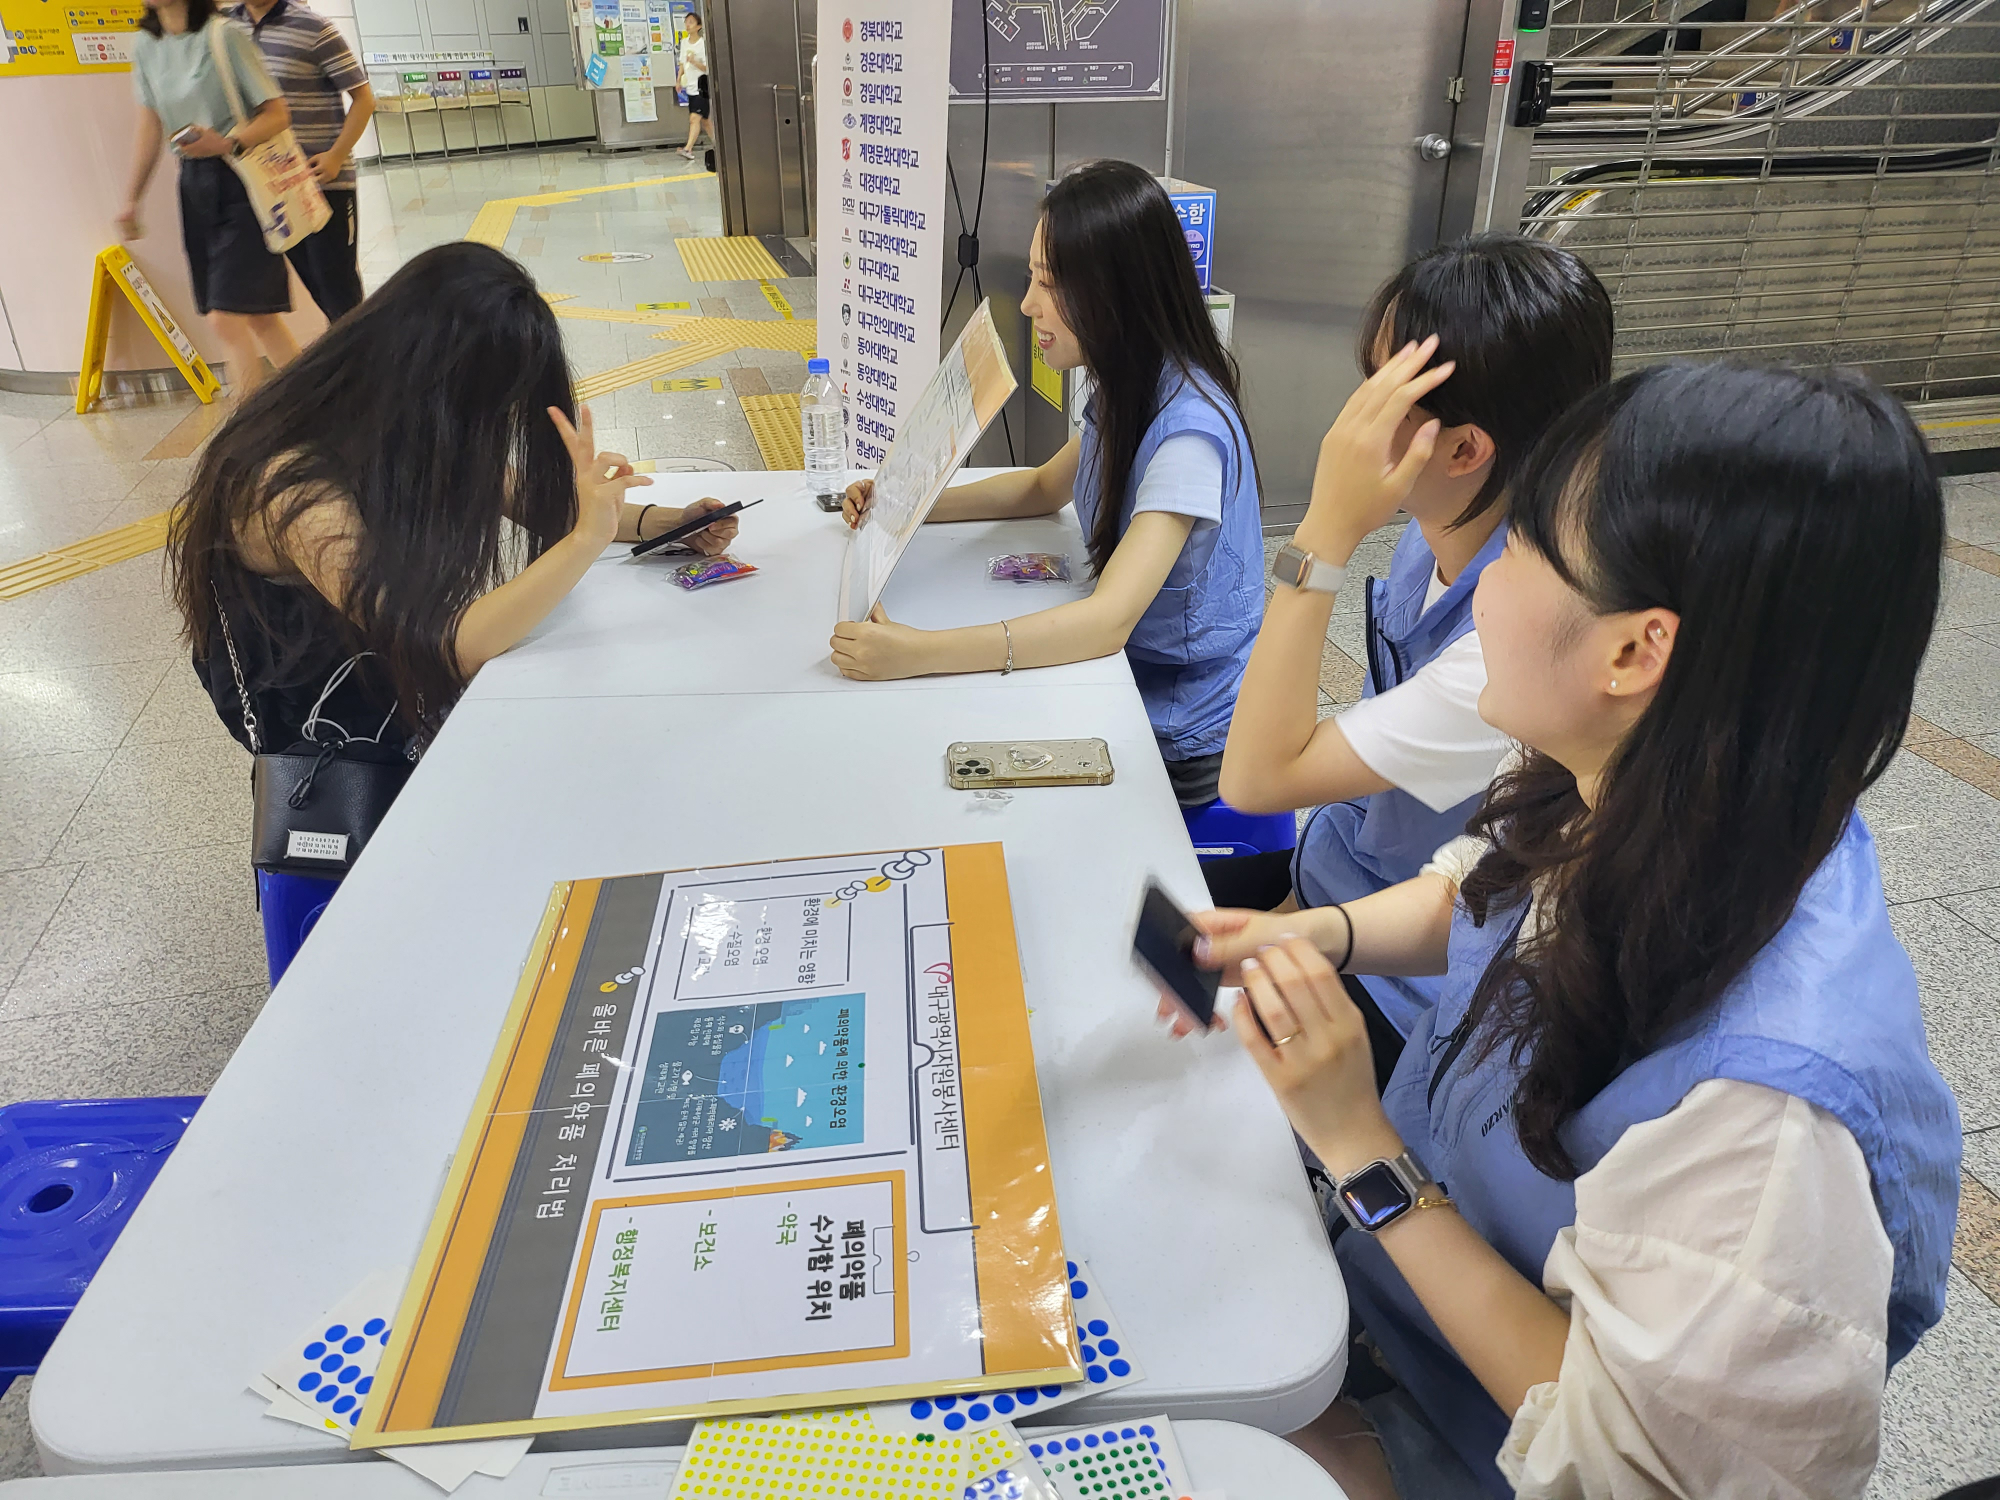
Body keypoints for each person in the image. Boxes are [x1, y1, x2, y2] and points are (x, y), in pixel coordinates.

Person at [1166, 352, 1962, 1498]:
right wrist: (1317, 939)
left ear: (1636, 649)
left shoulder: (1766, 1120)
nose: (1487, 585)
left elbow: (1624, 1464)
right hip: (1391, 1310)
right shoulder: (1651, 777)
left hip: (1473, 1441)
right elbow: (1482, 893)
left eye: (1524, 551)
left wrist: (1361, 1150)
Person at [1206, 236, 1614, 1047]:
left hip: (1400, 983)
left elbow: (1255, 780)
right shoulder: (1432, 543)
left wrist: (1324, 531)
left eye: (1381, 394)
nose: (1348, 423)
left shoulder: (1514, 635)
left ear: (1463, 449)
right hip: (1330, 888)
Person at [168, 241, 740, 764]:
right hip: (323, 714)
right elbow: (445, 646)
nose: (493, 430)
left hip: (378, 671)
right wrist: (587, 539)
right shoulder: (296, 488)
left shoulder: (394, 418)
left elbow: (536, 501)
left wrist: (668, 523)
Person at [830, 159, 1263, 807]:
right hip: (1123, 675)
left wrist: (917, 654)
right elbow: (1041, 488)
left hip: (1175, 729)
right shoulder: (1128, 378)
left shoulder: (1189, 437)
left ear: (1117, 293)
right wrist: (903, 504)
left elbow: (1106, 622)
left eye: (1050, 283)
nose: (1029, 303)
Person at [120, 0, 301, 398]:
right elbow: (150, 125)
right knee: (259, 318)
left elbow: (277, 113)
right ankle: (316, 402)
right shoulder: (146, 45)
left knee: (226, 318)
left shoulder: (224, 35)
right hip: (194, 183)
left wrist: (228, 143)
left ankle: (248, 422)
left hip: (241, 180)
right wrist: (132, 198)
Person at [232, 0, 376, 323]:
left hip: (323, 183)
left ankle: (367, 352)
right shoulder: (227, 28)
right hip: (273, 188)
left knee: (340, 292)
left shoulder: (314, 29)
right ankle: (347, 351)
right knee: (317, 289)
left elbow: (364, 99)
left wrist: (337, 155)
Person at [677, 12, 710, 161]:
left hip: (701, 87)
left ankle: (688, 149)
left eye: (691, 22)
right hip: (690, 87)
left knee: (694, 118)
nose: (687, 25)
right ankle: (719, 144)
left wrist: (694, 61)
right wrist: (678, 80)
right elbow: (682, 63)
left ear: (699, 26)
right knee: (705, 121)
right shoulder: (684, 42)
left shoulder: (703, 44)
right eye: (686, 22)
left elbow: (707, 68)